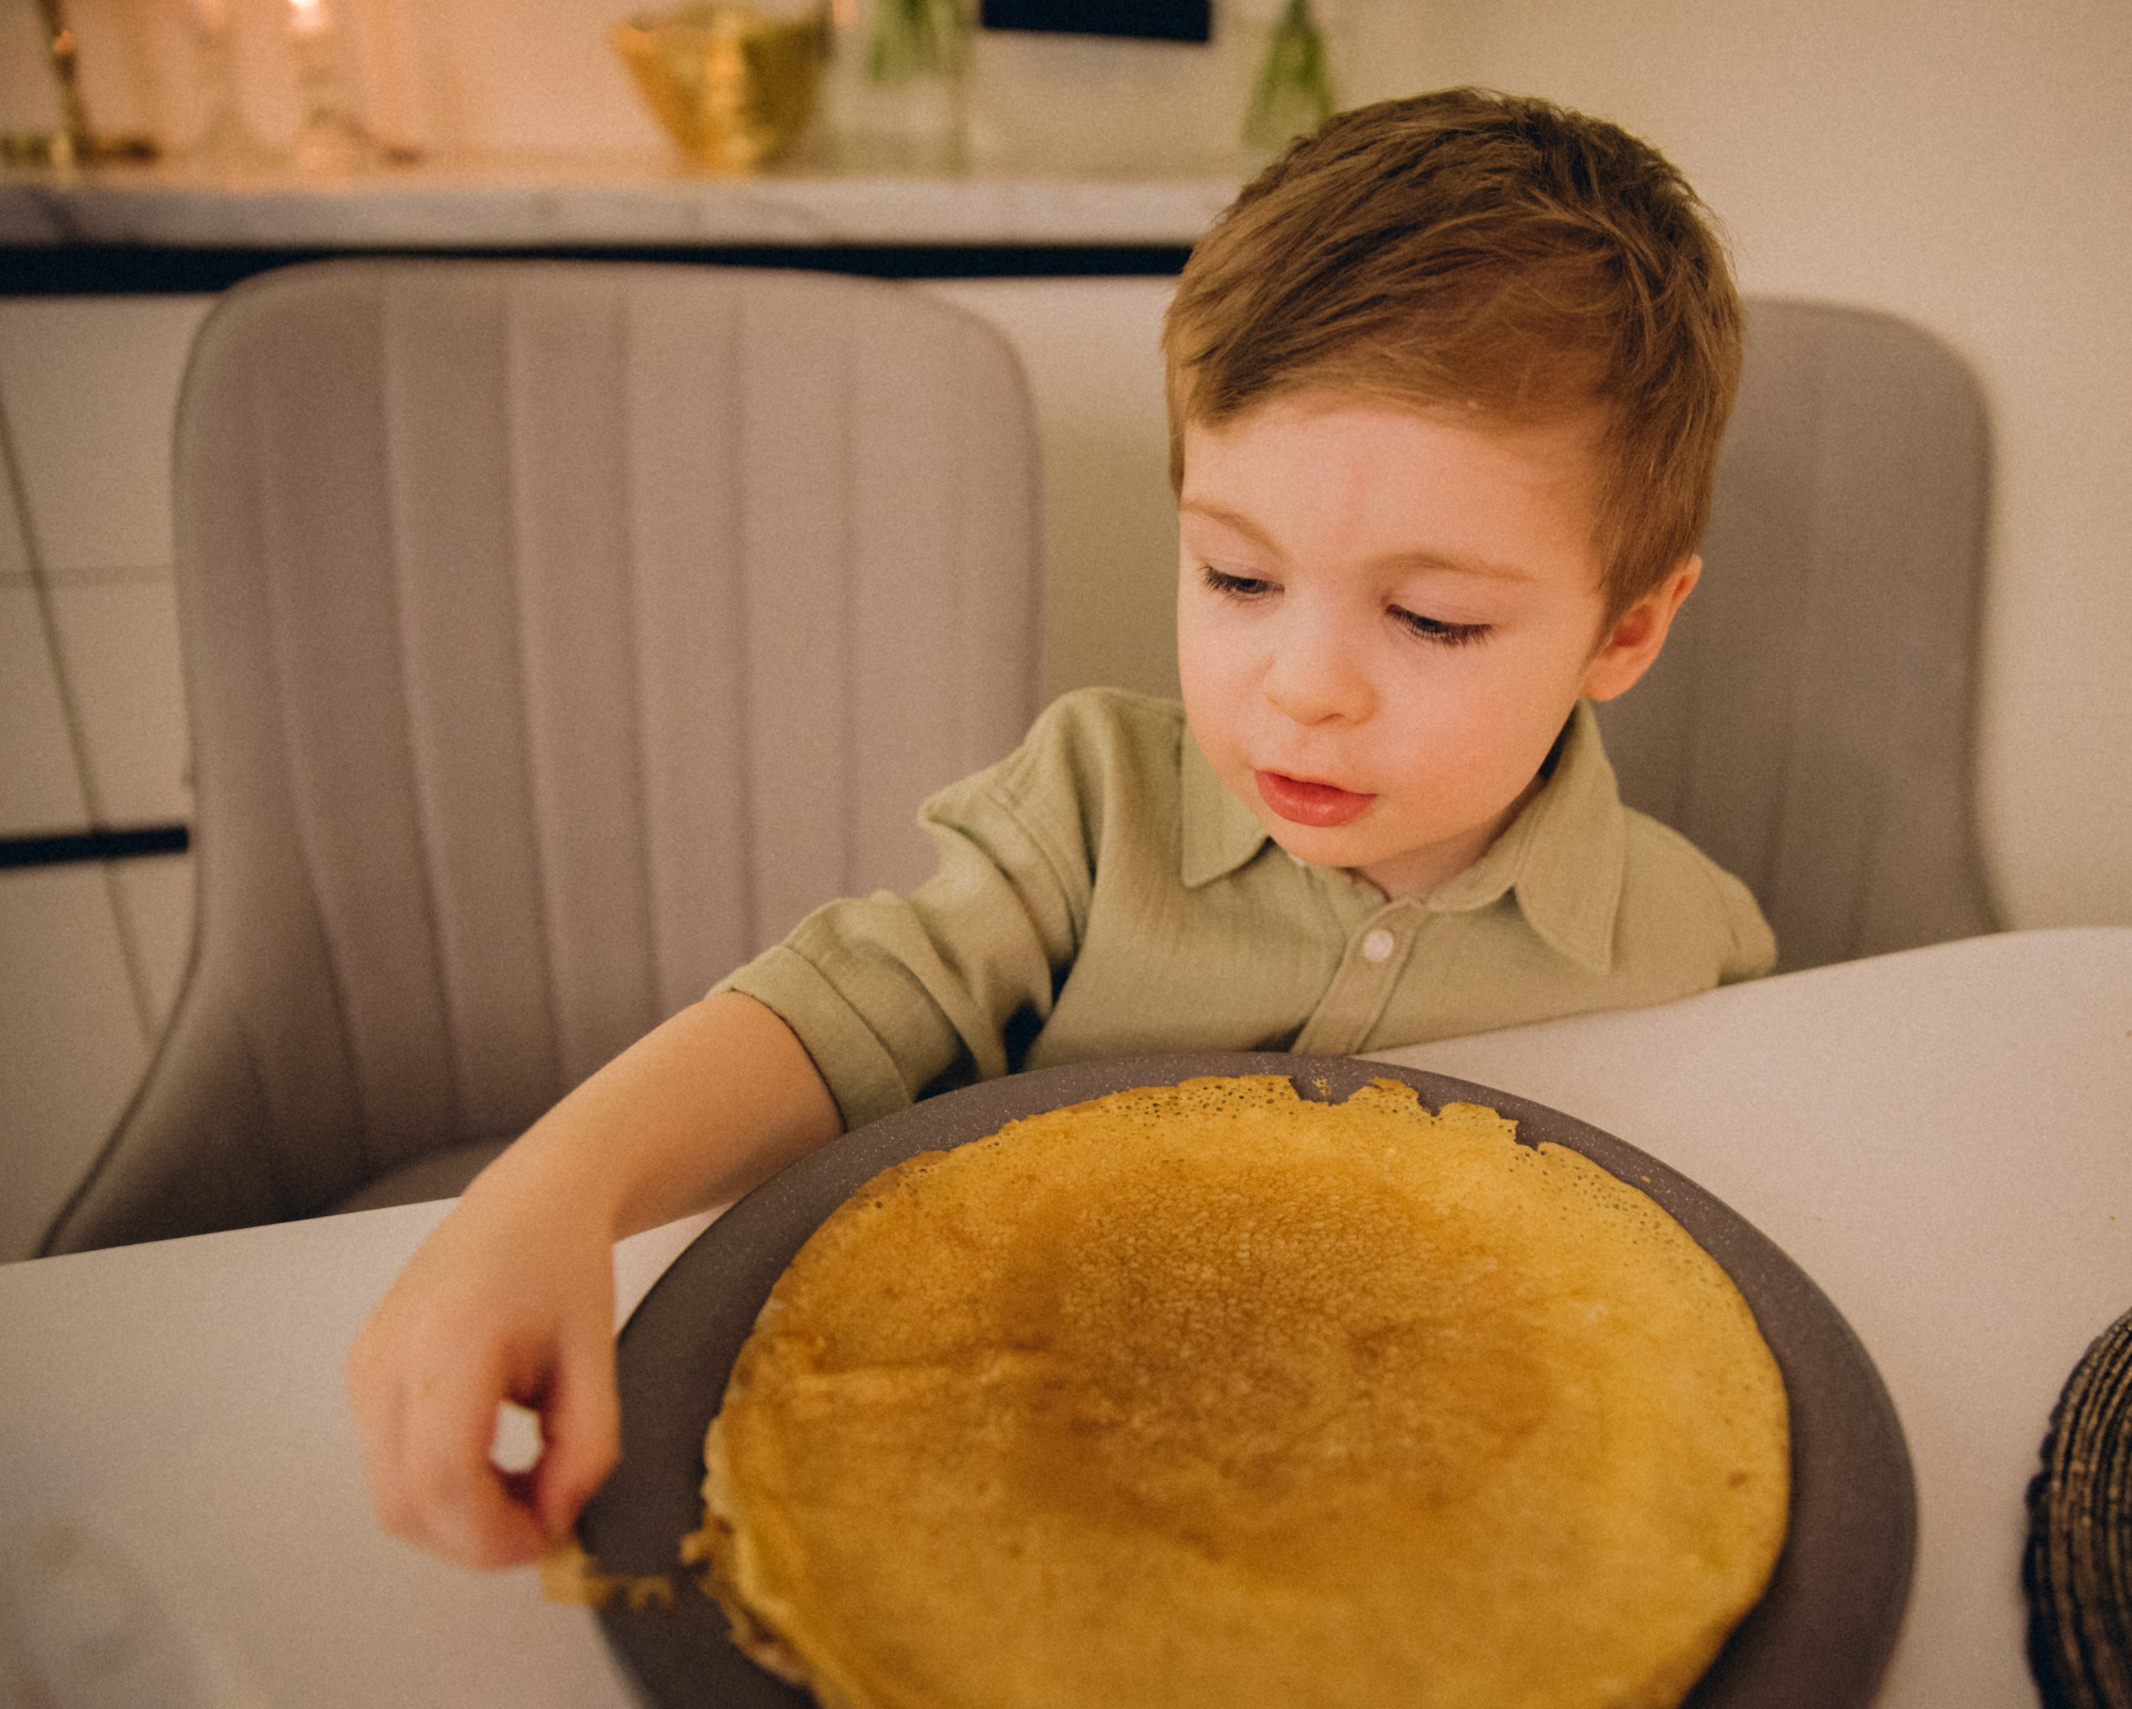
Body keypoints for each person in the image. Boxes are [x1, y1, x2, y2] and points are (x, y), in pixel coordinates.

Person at [347, 86, 1776, 1571]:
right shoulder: (1095, 808)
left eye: (1431, 617)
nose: (1304, 688)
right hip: (1014, 1489)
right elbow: (853, 1003)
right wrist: (556, 1192)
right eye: (1236, 576)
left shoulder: (1700, 946)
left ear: (1627, 628)